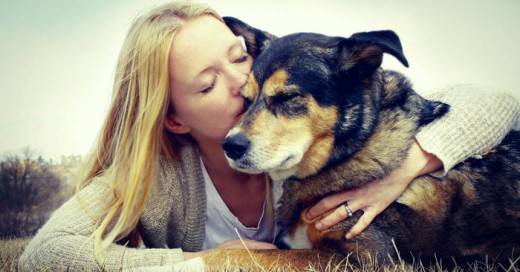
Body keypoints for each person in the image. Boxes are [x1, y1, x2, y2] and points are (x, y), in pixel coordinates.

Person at [19, 1, 520, 270]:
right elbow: (42, 255)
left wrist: (412, 165)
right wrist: (201, 263)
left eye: (238, 57)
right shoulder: (161, 177)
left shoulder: (307, 126)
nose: (243, 83)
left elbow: (493, 103)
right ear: (174, 118)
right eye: (208, 83)